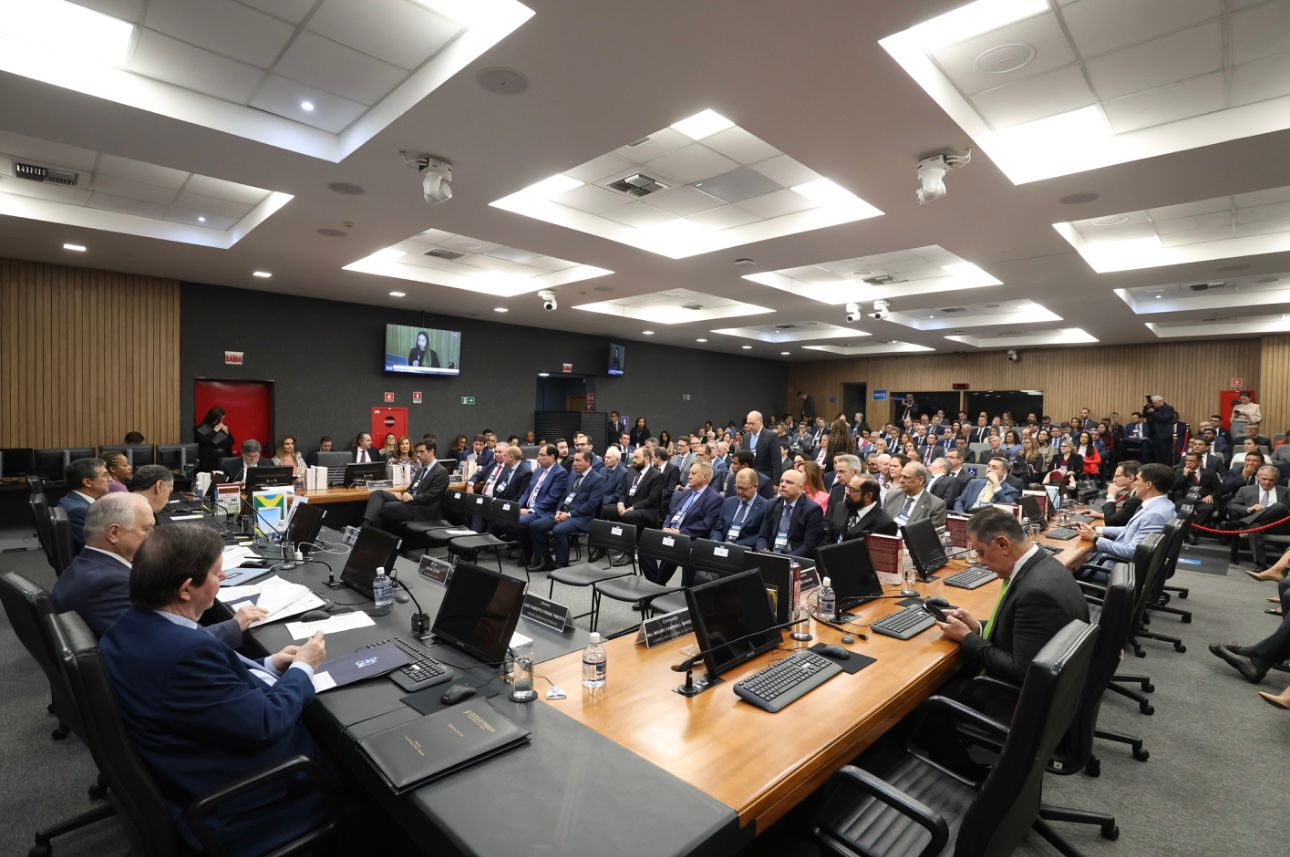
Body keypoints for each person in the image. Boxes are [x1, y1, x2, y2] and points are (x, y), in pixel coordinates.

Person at [99, 525, 330, 855]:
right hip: (242, 798)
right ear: (185, 590)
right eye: (215, 572)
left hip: (188, 759)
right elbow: (266, 722)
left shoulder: (128, 626)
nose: (222, 577)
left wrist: (269, 664)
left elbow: (212, 687)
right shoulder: (185, 653)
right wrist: (304, 667)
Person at [922, 507, 1090, 779]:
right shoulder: (1043, 567)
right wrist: (976, 626)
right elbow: (1020, 632)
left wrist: (967, 638)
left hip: (1019, 701)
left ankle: (966, 775)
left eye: (980, 552)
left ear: (1002, 544)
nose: (980, 561)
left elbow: (1021, 670)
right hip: (1058, 691)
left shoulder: (1037, 593)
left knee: (928, 700)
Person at [52, 492, 258, 642]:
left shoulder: (88, 564)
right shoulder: (111, 584)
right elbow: (164, 643)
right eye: (146, 529)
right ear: (113, 533)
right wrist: (233, 625)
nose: (154, 536)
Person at [1077, 462, 1175, 575]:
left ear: (1148, 485)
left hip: (1119, 570)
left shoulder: (1155, 515)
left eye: (1137, 479)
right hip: (1117, 562)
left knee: (1069, 570)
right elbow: (1130, 529)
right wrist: (1097, 529)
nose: (1135, 483)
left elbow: (1132, 552)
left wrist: (1095, 538)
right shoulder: (1162, 505)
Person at [641, 461, 722, 586]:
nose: (689, 476)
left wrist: (681, 532)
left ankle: (656, 587)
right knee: (644, 548)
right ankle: (656, 584)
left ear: (705, 477)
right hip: (670, 534)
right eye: (689, 473)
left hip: (689, 539)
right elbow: (671, 513)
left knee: (674, 552)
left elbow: (706, 524)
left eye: (693, 473)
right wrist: (666, 527)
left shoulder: (714, 498)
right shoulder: (686, 493)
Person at [526, 450, 606, 571]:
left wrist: (569, 514)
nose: (574, 463)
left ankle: (562, 565)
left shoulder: (597, 479)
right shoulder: (573, 474)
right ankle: (546, 561)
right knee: (536, 525)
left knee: (559, 530)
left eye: (578, 461)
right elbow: (564, 496)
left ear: (588, 462)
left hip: (583, 517)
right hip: (564, 513)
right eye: (574, 460)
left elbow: (591, 505)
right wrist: (558, 510)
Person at [360, 442, 449, 530]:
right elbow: (410, 488)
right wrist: (406, 493)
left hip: (421, 508)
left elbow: (430, 496)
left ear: (432, 451)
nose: (418, 455)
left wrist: (411, 497)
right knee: (378, 494)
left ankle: (366, 530)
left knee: (386, 506)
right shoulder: (421, 470)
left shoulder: (441, 472)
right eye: (417, 452)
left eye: (422, 451)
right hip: (410, 501)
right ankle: (365, 526)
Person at [1224, 465, 1290, 566]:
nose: (1267, 482)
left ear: (1276, 480)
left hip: (1280, 525)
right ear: (1258, 477)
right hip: (1257, 524)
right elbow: (1231, 505)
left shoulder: (1286, 491)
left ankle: (1241, 523)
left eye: (1271, 480)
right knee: (1254, 526)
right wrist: (1249, 509)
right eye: (1264, 479)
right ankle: (1260, 565)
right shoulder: (1245, 490)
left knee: (1279, 506)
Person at [514, 445, 569, 567]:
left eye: (541, 455)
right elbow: (527, 492)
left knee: (522, 521)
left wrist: (531, 510)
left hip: (546, 511)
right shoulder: (538, 471)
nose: (538, 458)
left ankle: (533, 556)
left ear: (552, 457)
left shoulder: (560, 473)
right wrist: (517, 506)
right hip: (531, 508)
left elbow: (552, 498)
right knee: (512, 518)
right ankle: (528, 554)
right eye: (538, 455)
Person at [755, 468, 825, 559]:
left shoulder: (812, 509)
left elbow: (808, 545)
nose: (783, 485)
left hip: (794, 557)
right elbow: (762, 536)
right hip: (771, 554)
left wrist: (785, 559)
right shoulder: (772, 504)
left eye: (789, 482)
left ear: (801, 488)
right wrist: (763, 551)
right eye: (781, 481)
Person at [602, 446, 664, 528]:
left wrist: (632, 508)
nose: (633, 460)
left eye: (637, 458)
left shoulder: (656, 476)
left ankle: (626, 536)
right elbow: (623, 492)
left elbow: (651, 499)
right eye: (633, 457)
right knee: (604, 509)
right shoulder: (631, 472)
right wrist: (620, 504)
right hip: (628, 506)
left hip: (646, 509)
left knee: (629, 515)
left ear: (647, 458)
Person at [58, 457, 109, 552]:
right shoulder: (80, 511)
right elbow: (100, 547)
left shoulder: (69, 500)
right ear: (87, 482)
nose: (110, 479)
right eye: (105, 475)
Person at [710, 467, 769, 547]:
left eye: (744, 489)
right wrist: (715, 541)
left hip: (744, 549)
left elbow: (760, 536)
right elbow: (718, 529)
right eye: (737, 487)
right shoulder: (728, 502)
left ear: (755, 486)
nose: (740, 492)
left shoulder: (765, 506)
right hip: (722, 547)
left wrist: (737, 545)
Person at [829, 475, 897, 542]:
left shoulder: (885, 523)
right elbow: (829, 536)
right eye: (848, 487)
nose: (847, 492)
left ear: (868, 496)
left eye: (852, 490)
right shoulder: (840, 507)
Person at [882, 461, 948, 528]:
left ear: (920, 480)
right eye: (901, 476)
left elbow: (930, 533)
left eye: (906, 477)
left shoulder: (935, 505)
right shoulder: (891, 497)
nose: (901, 480)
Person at [954, 456, 1018, 513]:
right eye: (988, 466)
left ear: (1004, 472)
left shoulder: (1011, 491)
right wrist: (961, 515)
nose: (989, 470)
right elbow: (960, 501)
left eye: (994, 468)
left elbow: (1004, 508)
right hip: (968, 516)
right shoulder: (974, 483)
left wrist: (996, 484)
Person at [742, 410, 781, 483]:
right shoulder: (746, 437)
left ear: (760, 422)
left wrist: (776, 483)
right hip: (748, 479)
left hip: (766, 479)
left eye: (752, 423)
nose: (749, 426)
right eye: (748, 423)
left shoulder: (771, 436)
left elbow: (776, 462)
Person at [193, 406, 233, 472]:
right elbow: (204, 441)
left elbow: (231, 442)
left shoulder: (221, 428)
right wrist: (215, 430)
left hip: (224, 462)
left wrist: (227, 432)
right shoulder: (200, 428)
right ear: (215, 419)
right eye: (221, 419)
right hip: (209, 464)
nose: (222, 422)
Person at [1144, 395, 1177, 464]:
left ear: (1160, 402)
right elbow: (1144, 415)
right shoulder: (1154, 408)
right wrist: (1146, 407)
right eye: (1152, 403)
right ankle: (1158, 468)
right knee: (1156, 454)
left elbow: (1163, 418)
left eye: (1155, 403)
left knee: (1165, 454)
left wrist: (1153, 412)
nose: (1153, 405)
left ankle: (1166, 468)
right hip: (1154, 434)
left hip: (1164, 435)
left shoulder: (1168, 408)